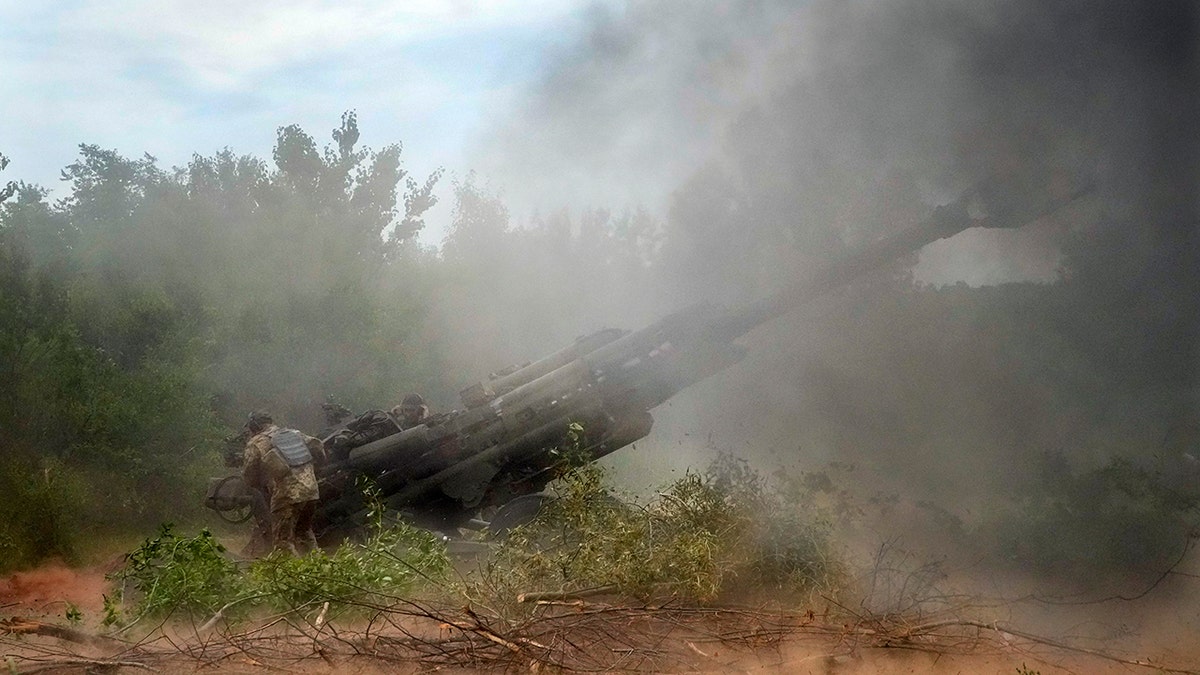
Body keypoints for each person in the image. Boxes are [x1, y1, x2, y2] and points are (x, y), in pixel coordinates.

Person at [242, 410, 327, 555]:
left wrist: (260, 485)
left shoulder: (256, 442)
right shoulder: (293, 433)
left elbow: (249, 475)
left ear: (254, 426)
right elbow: (317, 445)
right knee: (304, 533)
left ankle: (294, 576)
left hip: (287, 495)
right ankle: (319, 568)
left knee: (283, 542)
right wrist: (314, 470)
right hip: (311, 490)